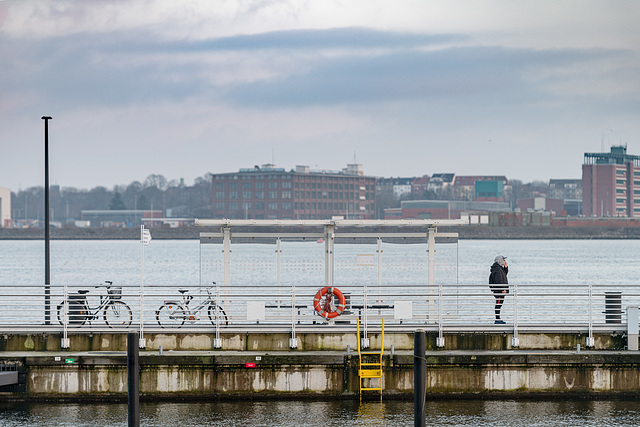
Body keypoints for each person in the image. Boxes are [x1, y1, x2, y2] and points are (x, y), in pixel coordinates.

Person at [489, 255, 509, 324]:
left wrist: (506, 267)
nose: (505, 261)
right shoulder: (497, 269)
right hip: (499, 291)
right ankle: (497, 319)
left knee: (499, 303)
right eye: (504, 260)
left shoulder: (499, 268)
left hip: (500, 290)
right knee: (498, 303)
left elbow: (504, 275)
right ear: (500, 260)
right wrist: (502, 289)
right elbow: (498, 280)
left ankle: (498, 318)